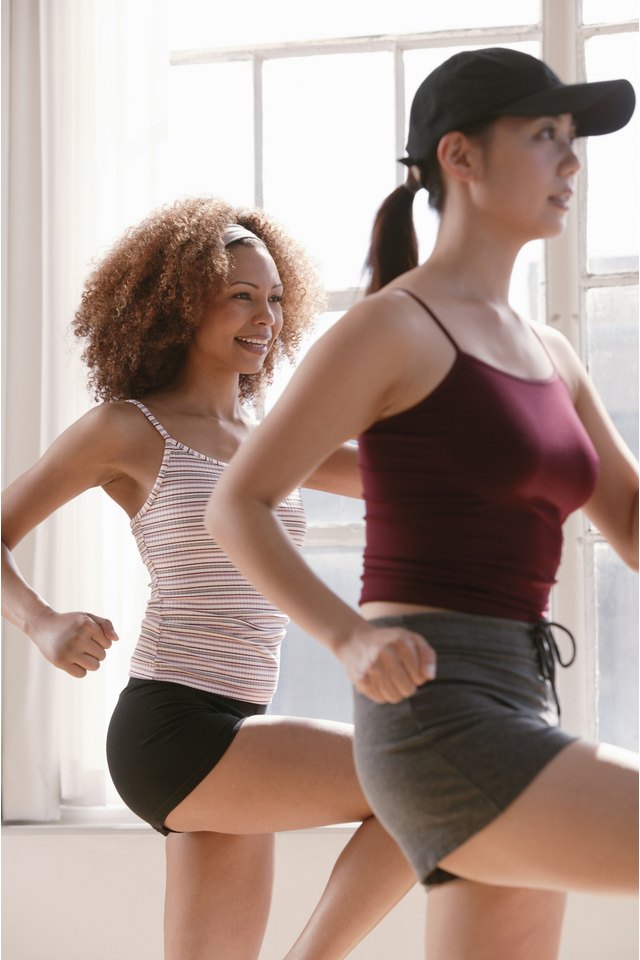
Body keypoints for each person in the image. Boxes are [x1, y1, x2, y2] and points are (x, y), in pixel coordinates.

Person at [205, 48, 639, 960]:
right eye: (545, 135)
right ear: (461, 157)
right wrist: (348, 636)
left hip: (524, 701)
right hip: (437, 716)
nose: (572, 161)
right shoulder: (393, 327)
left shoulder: (549, 352)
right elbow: (239, 501)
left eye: (575, 142)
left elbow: (632, 525)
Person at [1, 196, 418, 960]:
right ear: (177, 307)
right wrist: (41, 620)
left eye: (277, 299)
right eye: (241, 297)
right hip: (174, 726)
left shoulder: (271, 443)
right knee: (419, 776)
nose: (267, 317)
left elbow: (407, 477)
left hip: (240, 724)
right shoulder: (128, 428)